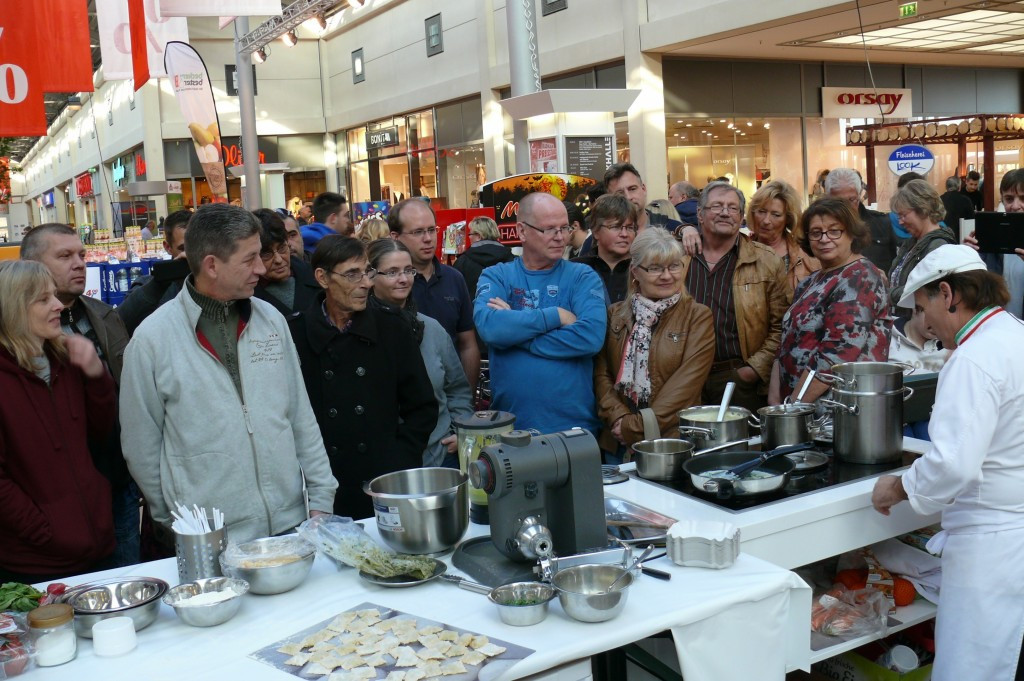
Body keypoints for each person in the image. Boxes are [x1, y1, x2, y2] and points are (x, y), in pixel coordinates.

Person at [120, 204, 338, 543]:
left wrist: (321, 498)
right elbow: (141, 445)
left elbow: (300, 416)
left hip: (291, 525)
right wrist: (177, 521)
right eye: (250, 258)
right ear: (212, 265)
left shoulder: (271, 321)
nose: (262, 267)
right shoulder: (152, 341)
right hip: (210, 537)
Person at [871, 244, 1024, 681]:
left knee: (972, 667)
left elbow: (953, 466)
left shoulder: (973, 358)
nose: (928, 325)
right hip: (1010, 528)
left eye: (924, 309)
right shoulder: (1015, 333)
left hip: (991, 542)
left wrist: (897, 488)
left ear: (948, 293)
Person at [288, 236, 436, 519]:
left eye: (367, 271)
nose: (366, 283)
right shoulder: (295, 334)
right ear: (322, 278)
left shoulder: (391, 329)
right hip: (324, 487)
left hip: (382, 483)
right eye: (352, 274)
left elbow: (422, 407)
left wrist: (398, 463)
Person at [20, 224, 139, 568]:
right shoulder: (19, 335)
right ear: (32, 265)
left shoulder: (104, 315)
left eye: (82, 255)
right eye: (64, 256)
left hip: (116, 479)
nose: (79, 264)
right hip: (55, 501)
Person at [0, 260, 116, 582]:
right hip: (35, 566)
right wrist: (43, 531)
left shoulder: (66, 361)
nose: (58, 305)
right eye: (43, 299)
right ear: (13, 310)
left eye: (54, 295)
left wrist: (96, 376)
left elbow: (101, 433)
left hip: (96, 547)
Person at [474, 192, 607, 434]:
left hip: (574, 429)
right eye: (549, 229)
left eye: (564, 228)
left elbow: (590, 337)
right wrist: (555, 316)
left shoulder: (582, 277)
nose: (560, 238)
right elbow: (490, 327)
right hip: (510, 429)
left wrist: (515, 334)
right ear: (522, 231)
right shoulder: (496, 275)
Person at [594, 229, 714, 458]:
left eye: (674, 266)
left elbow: (686, 386)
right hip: (617, 441)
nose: (667, 276)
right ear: (635, 272)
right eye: (656, 268)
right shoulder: (615, 314)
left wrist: (635, 427)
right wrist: (618, 418)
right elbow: (602, 374)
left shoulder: (697, 317)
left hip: (673, 441)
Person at [769, 199, 891, 404]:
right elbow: (785, 343)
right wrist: (775, 398)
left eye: (835, 231)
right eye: (816, 232)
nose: (824, 239)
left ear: (851, 233)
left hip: (837, 411)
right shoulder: (809, 281)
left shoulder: (859, 277)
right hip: (796, 407)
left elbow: (837, 354)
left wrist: (794, 407)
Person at [681, 181, 788, 412]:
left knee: (742, 446)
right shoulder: (677, 258)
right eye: (717, 206)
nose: (725, 213)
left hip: (738, 381)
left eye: (732, 208)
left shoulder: (766, 261)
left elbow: (782, 326)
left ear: (741, 217)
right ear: (700, 214)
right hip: (683, 378)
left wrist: (751, 371)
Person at [368, 239, 472, 468]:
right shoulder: (360, 332)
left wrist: (459, 431)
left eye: (408, 270)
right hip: (384, 463)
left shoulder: (432, 330)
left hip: (439, 458)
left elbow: (457, 389)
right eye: (392, 272)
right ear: (371, 276)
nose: (404, 279)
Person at [389, 199, 480, 390]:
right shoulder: (388, 283)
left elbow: (467, 344)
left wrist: (467, 398)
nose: (428, 238)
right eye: (418, 232)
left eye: (432, 230)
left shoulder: (454, 278)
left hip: (451, 397)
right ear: (395, 237)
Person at [118, 209, 193, 336]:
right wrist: (159, 284)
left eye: (196, 247)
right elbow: (118, 324)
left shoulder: (215, 282)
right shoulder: (149, 286)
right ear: (168, 247)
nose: (191, 255)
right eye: (183, 248)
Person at [889, 179, 958, 311]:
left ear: (923, 209)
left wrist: (888, 294)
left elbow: (923, 290)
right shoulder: (912, 242)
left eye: (904, 215)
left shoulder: (938, 246)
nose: (901, 222)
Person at [965, 169, 1024, 314]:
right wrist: (967, 258)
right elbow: (975, 291)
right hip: (998, 327)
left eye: (1023, 198)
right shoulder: (992, 238)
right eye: (1009, 199)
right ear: (1002, 200)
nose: (1015, 206)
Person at [747, 180, 820, 293]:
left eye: (776, 215)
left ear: (788, 219)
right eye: (761, 211)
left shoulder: (807, 255)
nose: (766, 221)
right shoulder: (740, 252)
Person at [825, 167, 900, 273]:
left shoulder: (882, 223)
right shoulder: (819, 230)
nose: (846, 207)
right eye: (839, 201)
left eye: (851, 200)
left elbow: (895, 266)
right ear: (828, 198)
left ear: (859, 195)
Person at [252, 209, 321, 316]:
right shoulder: (246, 297)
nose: (279, 260)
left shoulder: (317, 278)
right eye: (267, 254)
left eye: (282, 248)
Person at [572, 194, 638, 304]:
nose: (624, 234)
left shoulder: (643, 269)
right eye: (615, 227)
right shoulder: (577, 269)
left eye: (630, 228)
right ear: (596, 231)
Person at [604, 163, 683, 234]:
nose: (628, 197)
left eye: (632, 189)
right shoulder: (601, 240)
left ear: (644, 189)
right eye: (620, 193)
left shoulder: (673, 230)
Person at [453, 216, 514, 298]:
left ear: (478, 236)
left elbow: (455, 294)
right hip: (506, 309)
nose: (469, 237)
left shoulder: (462, 262)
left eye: (470, 234)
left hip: (474, 310)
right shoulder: (512, 260)